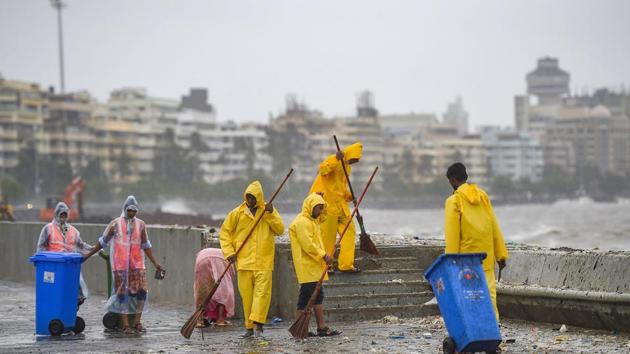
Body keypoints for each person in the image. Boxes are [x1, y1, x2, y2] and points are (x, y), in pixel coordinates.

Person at [83, 196, 164, 334]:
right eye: (129, 210)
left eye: (134, 210)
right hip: (120, 266)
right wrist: (88, 255)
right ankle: (126, 325)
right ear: (125, 209)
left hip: (137, 265)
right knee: (122, 295)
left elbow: (146, 245)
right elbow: (103, 242)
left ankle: (137, 322)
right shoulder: (115, 224)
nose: (132, 213)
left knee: (142, 292)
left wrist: (156, 263)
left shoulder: (141, 224)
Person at [219, 181, 285, 338]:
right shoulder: (237, 213)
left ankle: (259, 326)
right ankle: (249, 328)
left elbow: (280, 230)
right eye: (248, 196)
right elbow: (225, 233)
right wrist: (229, 253)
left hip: (264, 261)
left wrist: (271, 214)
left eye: (253, 197)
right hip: (244, 262)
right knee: (247, 297)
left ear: (259, 197)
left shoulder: (267, 211)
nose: (250, 200)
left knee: (262, 295)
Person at [444, 162, 508, 321]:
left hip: (465, 263)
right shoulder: (483, 196)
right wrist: (501, 255)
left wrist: (450, 261)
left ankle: (475, 333)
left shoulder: (454, 201)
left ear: (452, 180)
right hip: (486, 259)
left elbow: (452, 234)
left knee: (469, 299)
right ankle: (493, 332)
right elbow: (494, 226)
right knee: (490, 298)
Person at [288, 193, 341, 337]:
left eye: (321, 208)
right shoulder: (302, 222)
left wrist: (323, 202)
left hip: (313, 265)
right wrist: (323, 255)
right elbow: (308, 245)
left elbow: (324, 216)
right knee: (317, 295)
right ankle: (321, 328)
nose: (320, 211)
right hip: (307, 265)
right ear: (310, 207)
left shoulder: (313, 220)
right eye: (318, 208)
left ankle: (299, 329)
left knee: (304, 298)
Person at [310, 141, 363, 273]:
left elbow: (340, 188)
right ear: (348, 154)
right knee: (328, 237)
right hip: (327, 204)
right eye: (354, 159)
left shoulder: (347, 168)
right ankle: (325, 267)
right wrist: (335, 158)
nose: (354, 162)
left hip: (340, 206)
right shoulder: (334, 159)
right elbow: (322, 170)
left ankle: (346, 265)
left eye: (356, 160)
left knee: (349, 232)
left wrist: (350, 196)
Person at [36, 201, 93, 305]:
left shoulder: (73, 231)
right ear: (56, 214)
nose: (63, 216)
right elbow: (41, 246)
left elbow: (81, 245)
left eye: (64, 214)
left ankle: (71, 310)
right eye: (61, 214)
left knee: (79, 290)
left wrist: (93, 249)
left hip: (70, 265)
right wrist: (39, 263)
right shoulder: (48, 228)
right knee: (57, 291)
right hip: (54, 266)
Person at [193, 248, 235, 327]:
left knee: (201, 290)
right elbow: (231, 275)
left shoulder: (201, 253)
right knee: (223, 291)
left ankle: (199, 320)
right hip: (221, 259)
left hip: (202, 260)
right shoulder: (229, 254)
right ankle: (220, 320)